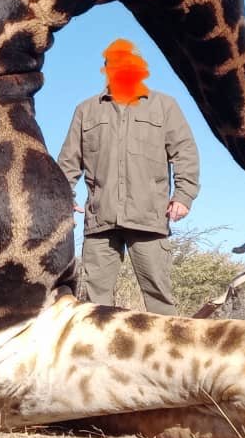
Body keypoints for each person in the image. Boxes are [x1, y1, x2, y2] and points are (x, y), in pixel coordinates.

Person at [57, 39, 200, 314]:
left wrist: (183, 195)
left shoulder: (164, 106)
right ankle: (99, 355)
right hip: (100, 220)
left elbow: (185, 152)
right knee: (94, 305)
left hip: (149, 217)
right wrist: (63, 198)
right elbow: (68, 161)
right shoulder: (86, 110)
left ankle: (164, 353)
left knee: (159, 297)